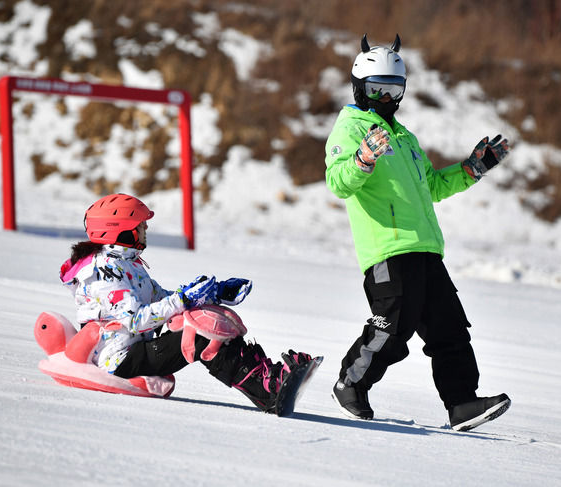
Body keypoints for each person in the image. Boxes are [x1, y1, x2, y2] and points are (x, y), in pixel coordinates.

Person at [324, 34, 511, 431]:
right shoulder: (350, 130)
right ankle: (350, 384)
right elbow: (338, 183)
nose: (385, 98)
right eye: (377, 89)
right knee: (392, 331)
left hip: (426, 249)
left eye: (394, 90)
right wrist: (362, 160)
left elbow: (433, 187)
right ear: (359, 87)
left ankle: (461, 403)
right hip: (388, 251)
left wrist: (471, 169)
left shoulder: (405, 138)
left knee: (451, 331)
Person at [59, 193, 312, 413]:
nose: (145, 230)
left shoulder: (127, 264)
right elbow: (136, 321)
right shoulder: (103, 273)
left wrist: (213, 294)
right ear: (119, 229)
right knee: (200, 331)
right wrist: (183, 299)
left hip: (137, 350)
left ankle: (266, 375)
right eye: (141, 226)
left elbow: (160, 298)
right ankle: (265, 390)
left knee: (205, 314)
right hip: (121, 360)